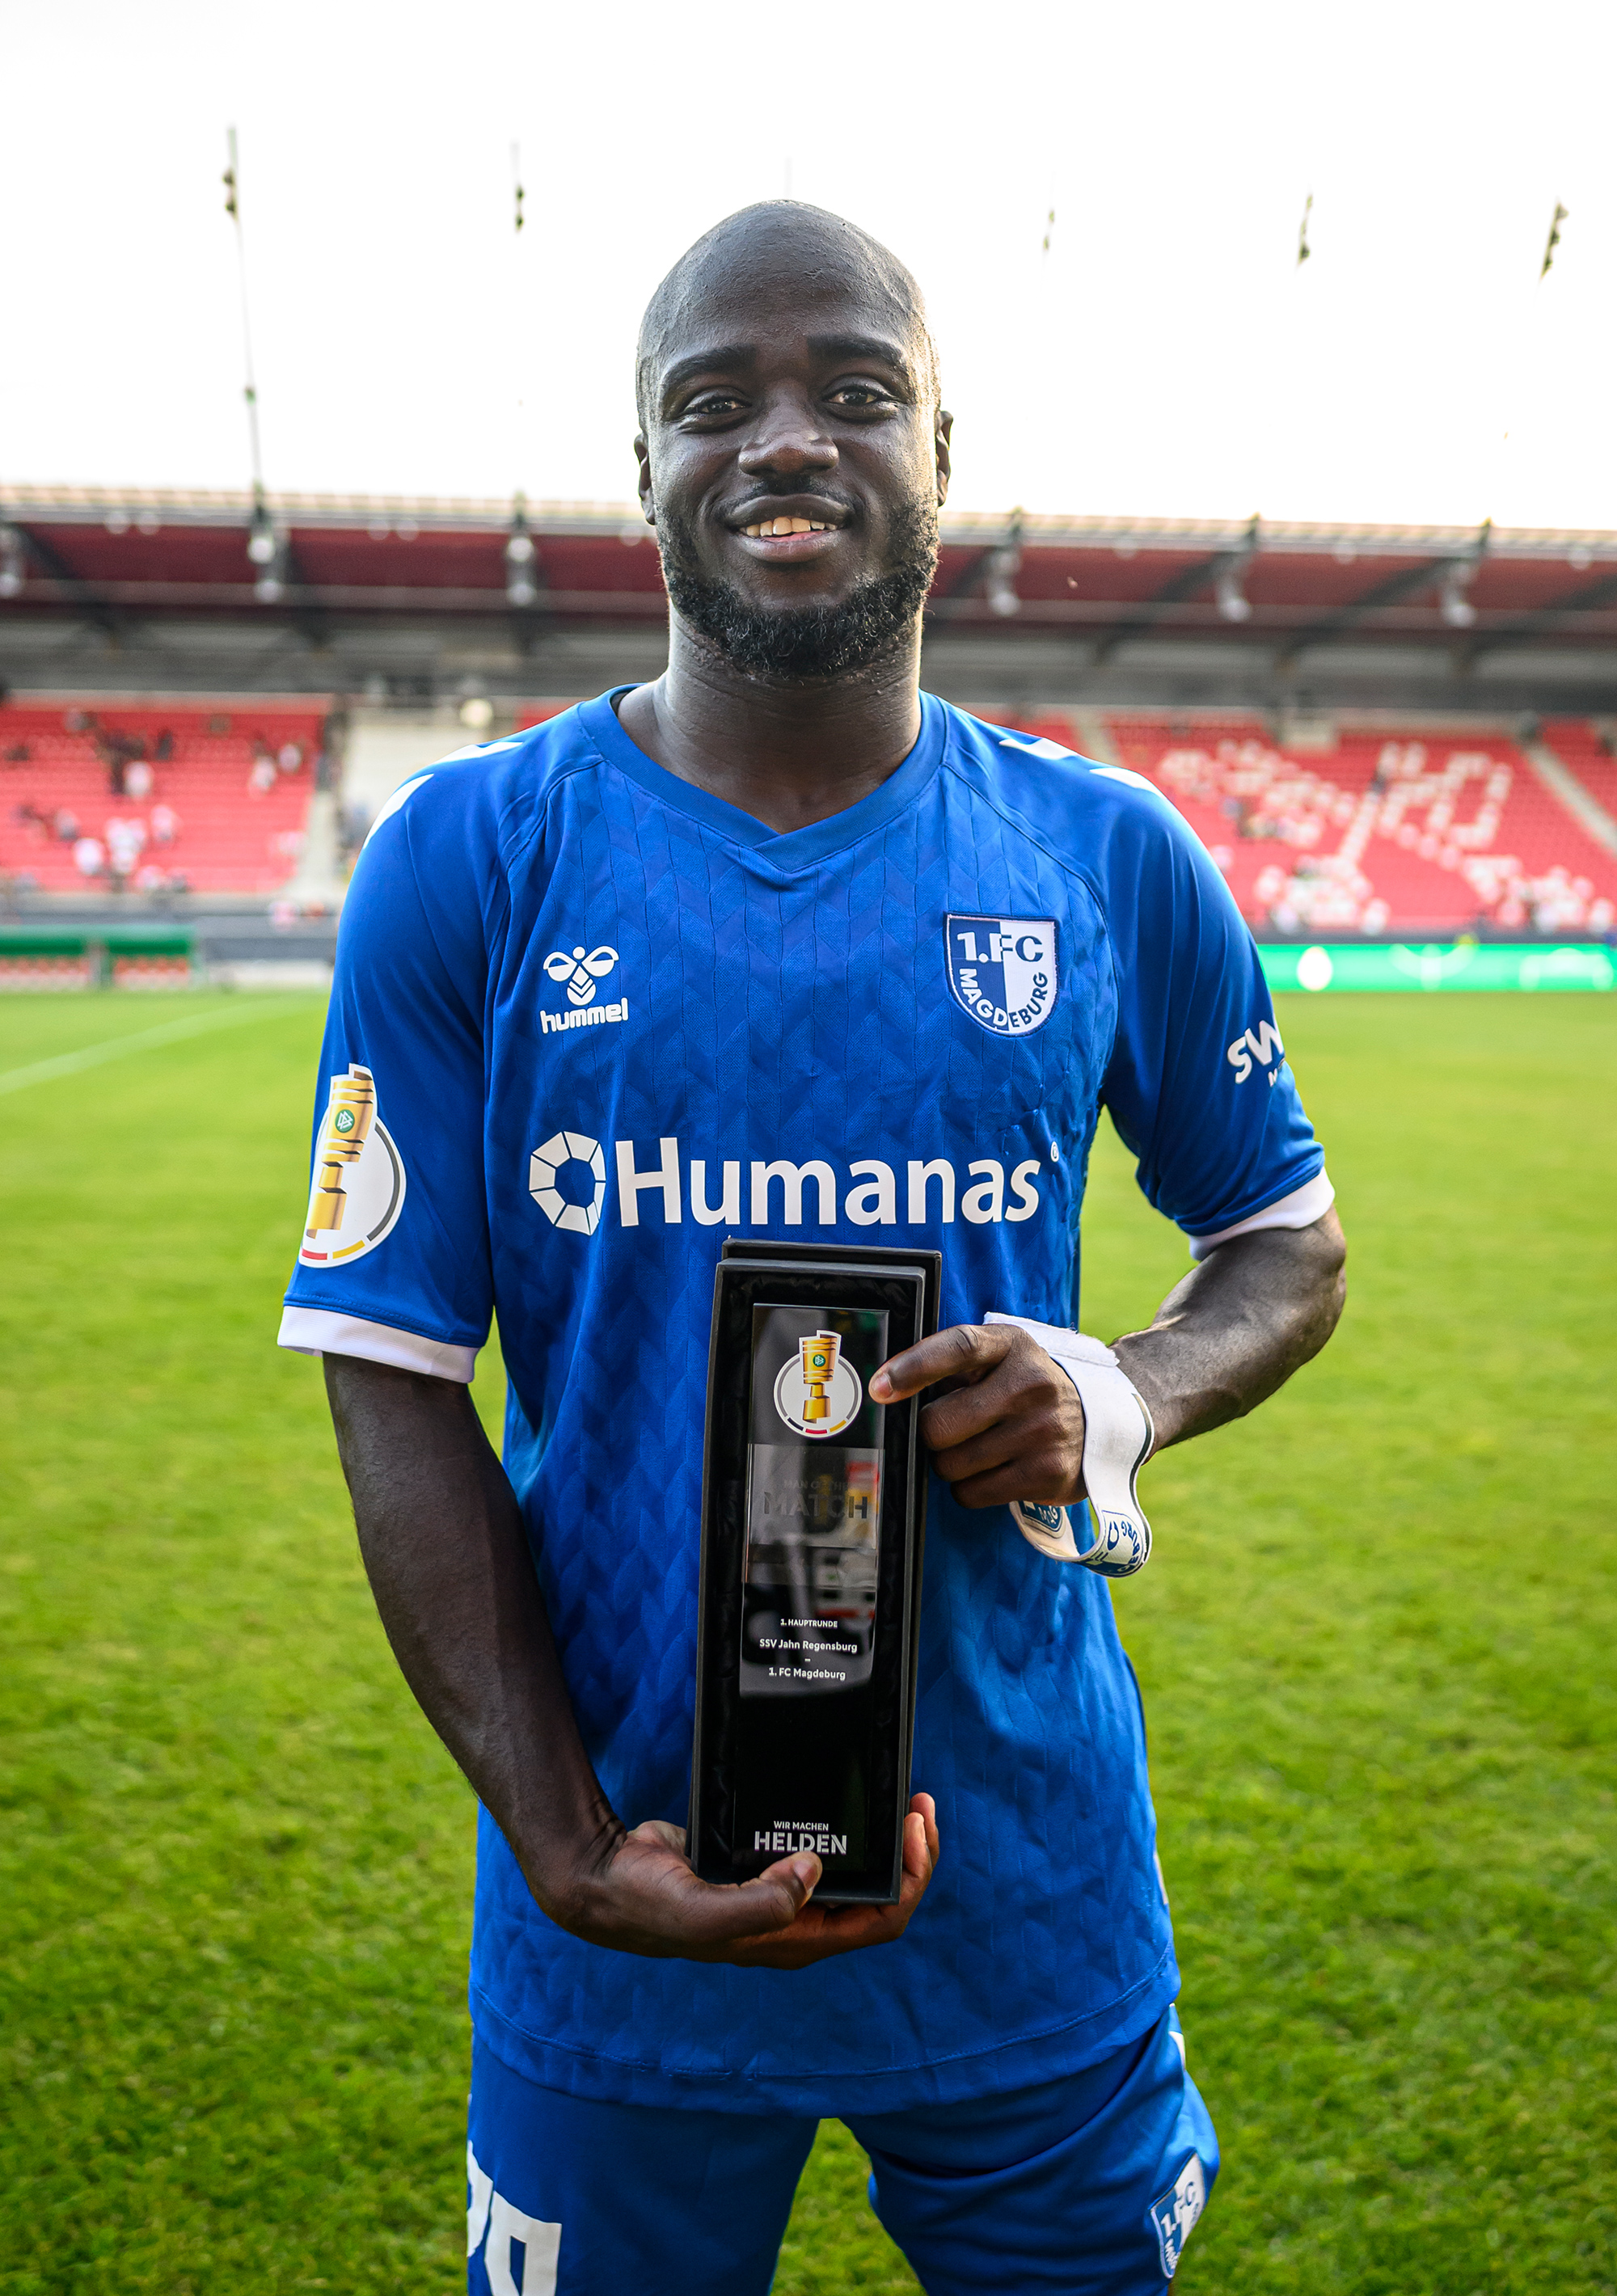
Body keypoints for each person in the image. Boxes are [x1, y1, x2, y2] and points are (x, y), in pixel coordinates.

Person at [278, 203, 1345, 2295]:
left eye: (857, 393)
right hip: (621, 1903)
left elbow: (1283, 1250)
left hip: (1030, 1894)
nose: (785, 440)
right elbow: (386, 1360)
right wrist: (568, 1847)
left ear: (944, 448)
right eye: (715, 402)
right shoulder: (468, 859)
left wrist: (1124, 1386)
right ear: (645, 468)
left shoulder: (1106, 851)